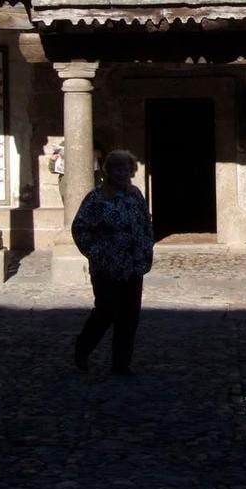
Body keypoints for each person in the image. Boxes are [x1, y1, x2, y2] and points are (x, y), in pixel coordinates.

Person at [70, 148, 154, 376]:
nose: (121, 172)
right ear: (108, 170)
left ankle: (121, 364)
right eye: (117, 168)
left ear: (132, 170)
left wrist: (146, 251)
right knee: (106, 311)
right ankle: (83, 348)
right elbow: (80, 228)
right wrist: (96, 253)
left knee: (129, 316)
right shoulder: (96, 198)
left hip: (132, 266)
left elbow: (145, 224)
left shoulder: (135, 195)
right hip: (106, 266)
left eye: (126, 168)